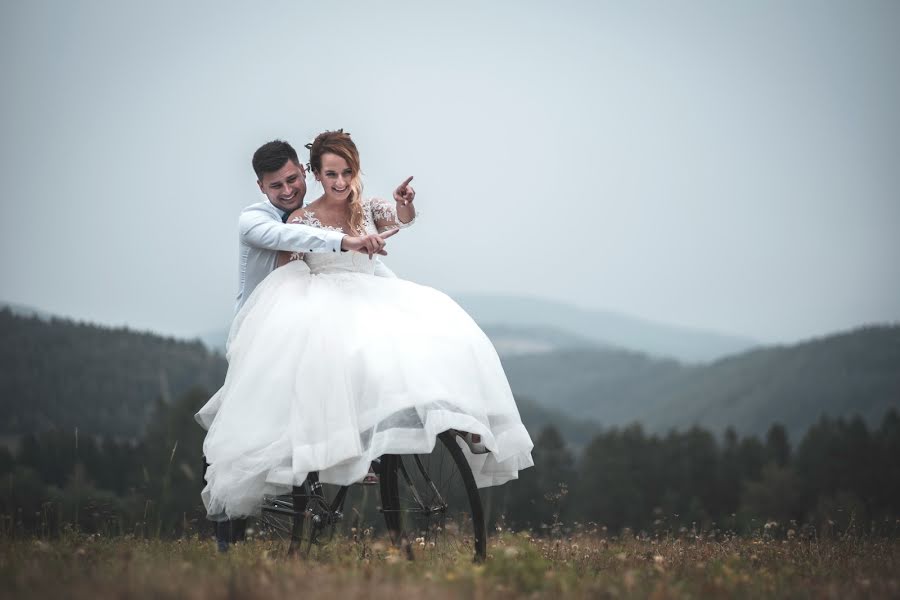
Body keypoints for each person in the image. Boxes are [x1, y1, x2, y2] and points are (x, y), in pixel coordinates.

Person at [197, 130, 534, 523]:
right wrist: (343, 246)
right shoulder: (289, 219)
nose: (339, 182)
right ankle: (341, 453)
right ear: (317, 175)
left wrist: (403, 206)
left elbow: (400, 220)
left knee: (423, 341)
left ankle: (459, 419)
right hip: (314, 303)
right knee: (337, 359)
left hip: (366, 296)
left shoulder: (366, 207)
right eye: (331, 174)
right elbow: (288, 261)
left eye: (346, 173)